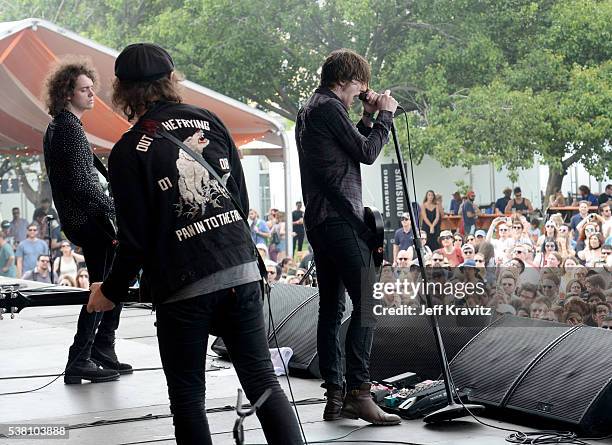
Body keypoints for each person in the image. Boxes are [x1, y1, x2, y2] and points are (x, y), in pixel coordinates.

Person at [86, 43, 303, 444]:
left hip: (184, 286)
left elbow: (133, 242)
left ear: (122, 91)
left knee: (187, 399)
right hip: (240, 269)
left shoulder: (129, 152)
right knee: (262, 381)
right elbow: (240, 200)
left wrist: (110, 292)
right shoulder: (209, 121)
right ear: (171, 80)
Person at [295, 48, 401, 425]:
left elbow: (347, 146)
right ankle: (359, 392)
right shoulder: (327, 108)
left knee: (332, 308)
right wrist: (385, 116)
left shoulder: (311, 109)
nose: (363, 90)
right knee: (367, 305)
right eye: (360, 84)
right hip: (340, 222)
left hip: (321, 222)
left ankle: (335, 397)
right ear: (343, 81)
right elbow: (368, 153)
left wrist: (368, 116)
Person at [42, 56, 130, 384]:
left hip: (83, 221)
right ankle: (81, 357)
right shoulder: (68, 130)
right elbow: (82, 184)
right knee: (103, 288)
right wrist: (115, 210)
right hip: (91, 223)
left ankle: (101, 350)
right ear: (68, 93)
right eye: (85, 89)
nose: (92, 94)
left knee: (109, 283)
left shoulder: (65, 127)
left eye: (92, 88)